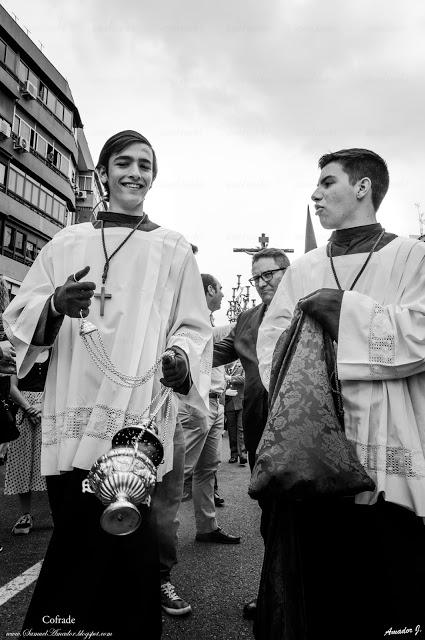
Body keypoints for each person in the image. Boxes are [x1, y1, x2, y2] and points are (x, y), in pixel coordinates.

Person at [3, 130, 212, 640]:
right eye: (124, 162)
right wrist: (54, 304)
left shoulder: (173, 247)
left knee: (130, 536)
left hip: (135, 411)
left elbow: (193, 325)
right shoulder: (66, 241)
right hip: (72, 402)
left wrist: (180, 359)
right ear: (102, 172)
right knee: (76, 530)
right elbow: (19, 313)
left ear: (154, 176)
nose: (135, 173)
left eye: (145, 164)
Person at [256, 148, 425, 639]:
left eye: (327, 182)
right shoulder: (303, 266)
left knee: (390, 577)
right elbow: (272, 339)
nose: (315, 193)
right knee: (321, 581)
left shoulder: (411, 255)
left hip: (387, 435)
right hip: (314, 447)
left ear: (363, 187)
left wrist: (347, 312)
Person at [213, 247, 290, 619]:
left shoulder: (306, 309)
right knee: (270, 510)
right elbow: (211, 353)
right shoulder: (246, 320)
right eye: (256, 277)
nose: (261, 283)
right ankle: (273, 592)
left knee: (305, 511)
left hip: (303, 427)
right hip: (260, 429)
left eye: (269, 275)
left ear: (287, 272)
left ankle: (300, 595)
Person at [179, 274, 241, 544]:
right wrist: (246, 322)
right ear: (210, 289)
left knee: (208, 468)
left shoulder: (209, 321)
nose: (224, 295)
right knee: (178, 471)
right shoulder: (193, 318)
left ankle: (207, 527)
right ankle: (146, 534)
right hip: (197, 402)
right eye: (221, 289)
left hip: (217, 401)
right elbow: (208, 341)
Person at [4, 350, 50, 535]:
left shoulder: (55, 353)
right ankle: (25, 514)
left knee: (50, 462)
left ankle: (55, 511)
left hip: (48, 406)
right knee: (21, 462)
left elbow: (60, 385)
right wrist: (29, 408)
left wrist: (43, 406)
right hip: (24, 410)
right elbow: (11, 387)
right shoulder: (20, 355)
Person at [224, 360, 246, 464]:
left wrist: (230, 378)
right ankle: (233, 455)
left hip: (240, 403)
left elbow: (245, 379)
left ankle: (242, 455)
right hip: (228, 404)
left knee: (241, 429)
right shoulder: (223, 369)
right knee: (231, 431)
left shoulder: (241, 367)